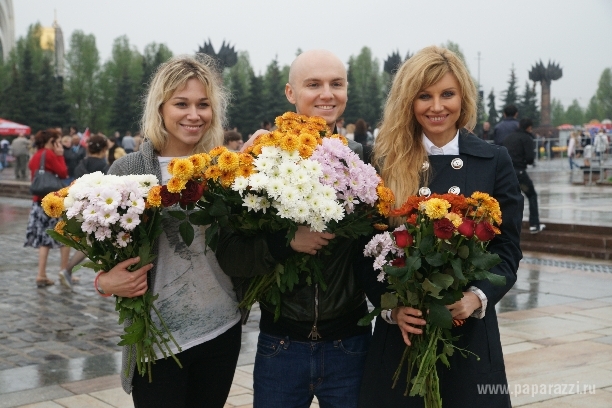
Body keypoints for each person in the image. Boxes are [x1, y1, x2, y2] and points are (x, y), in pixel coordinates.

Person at [358, 45, 523, 408]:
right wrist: (392, 310)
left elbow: (507, 248)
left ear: (463, 97)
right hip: (402, 334)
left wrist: (476, 297)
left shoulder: (494, 160)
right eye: (424, 96)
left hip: (469, 333)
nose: (437, 107)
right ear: (408, 101)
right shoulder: (384, 160)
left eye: (447, 94)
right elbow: (367, 248)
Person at [217, 49, 370, 408]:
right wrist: (286, 242)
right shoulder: (263, 158)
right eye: (313, 84)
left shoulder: (363, 159)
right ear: (290, 93)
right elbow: (231, 254)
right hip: (281, 345)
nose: (326, 94)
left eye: (336, 84)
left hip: (350, 342)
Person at [99, 54, 241, 408]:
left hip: (220, 330)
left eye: (203, 105)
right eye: (182, 104)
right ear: (160, 107)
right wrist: (103, 282)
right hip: (156, 339)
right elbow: (97, 244)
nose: (194, 115)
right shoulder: (128, 169)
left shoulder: (223, 168)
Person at [59, 134, 111, 290]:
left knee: (90, 243)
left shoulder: (81, 165)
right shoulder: (105, 167)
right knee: (104, 243)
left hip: (83, 210)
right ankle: (103, 280)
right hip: (102, 210)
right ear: (104, 149)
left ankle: (68, 270)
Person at [25, 129, 71, 287]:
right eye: (57, 141)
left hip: (38, 202)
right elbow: (63, 173)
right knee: (65, 236)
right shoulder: (50, 154)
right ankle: (64, 271)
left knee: (44, 240)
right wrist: (60, 155)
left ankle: (41, 274)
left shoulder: (36, 155)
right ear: (51, 141)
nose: (59, 144)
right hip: (53, 202)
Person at [502, 118, 545, 234]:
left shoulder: (509, 137)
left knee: (510, 199)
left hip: (506, 174)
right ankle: (534, 224)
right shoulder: (527, 138)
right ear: (529, 127)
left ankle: (506, 227)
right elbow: (530, 158)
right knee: (531, 195)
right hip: (519, 175)